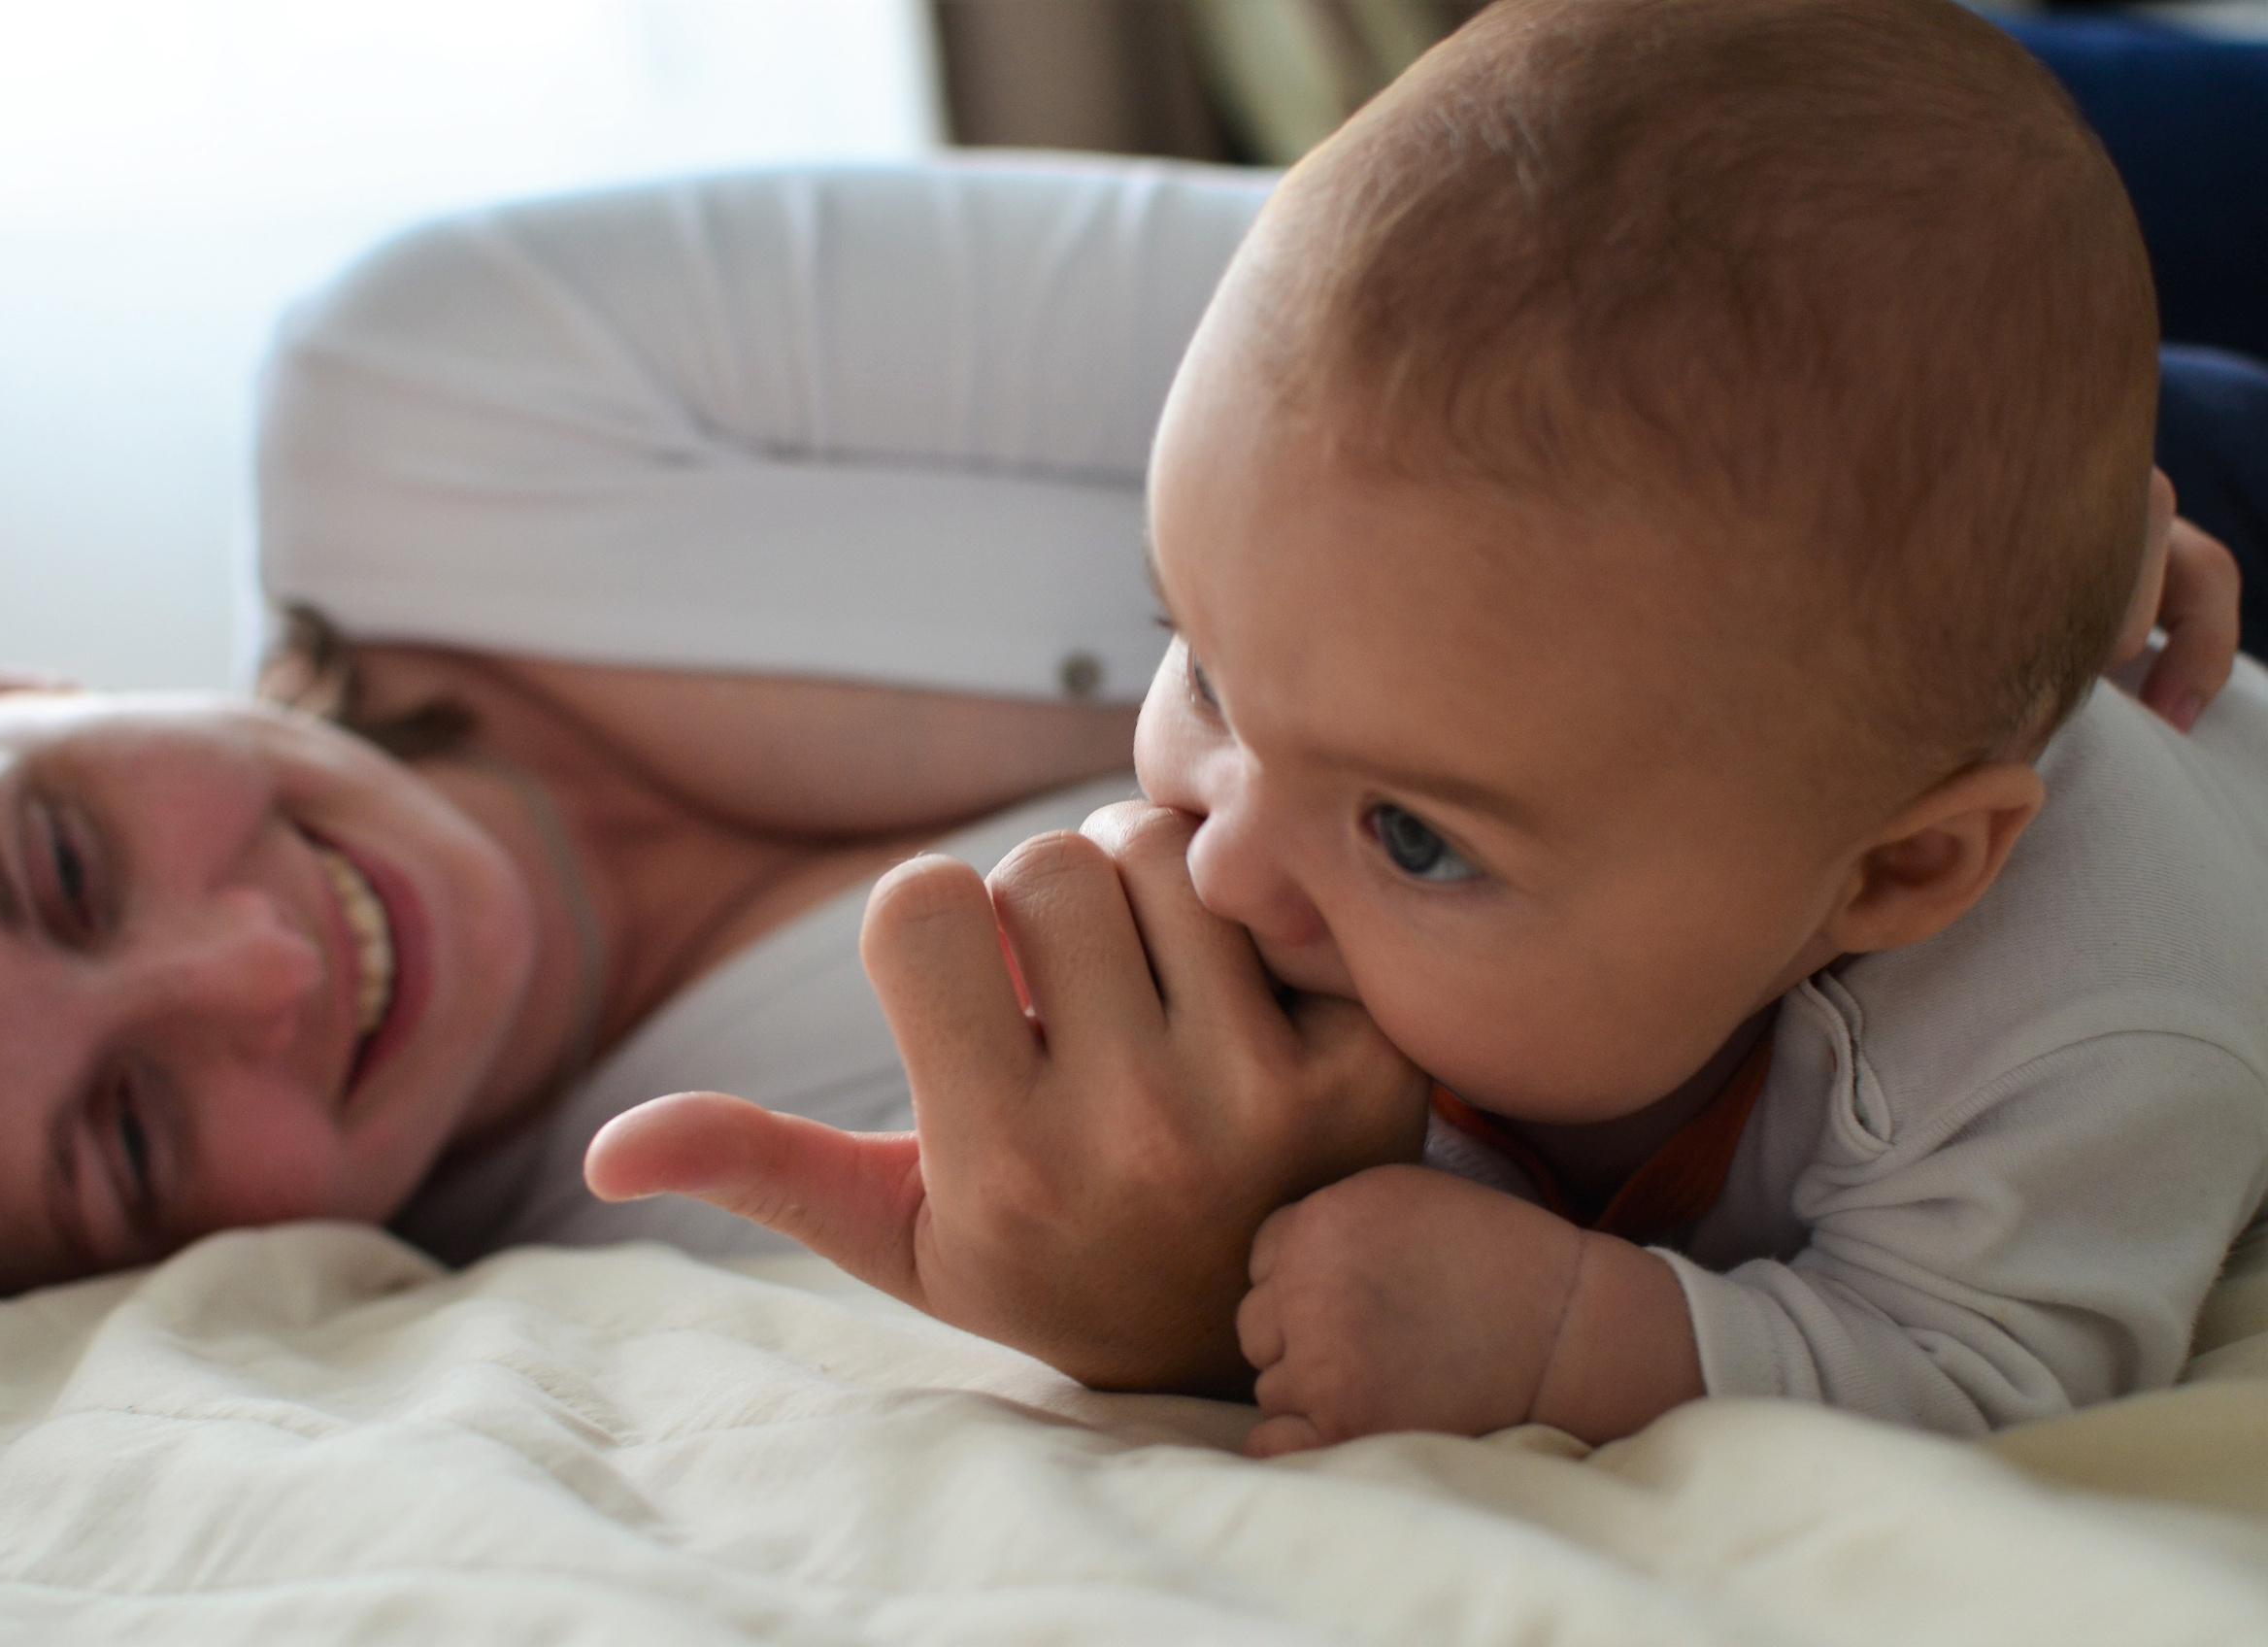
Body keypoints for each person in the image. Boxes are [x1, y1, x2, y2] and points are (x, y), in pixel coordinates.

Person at [584, 0, 2268, 1447]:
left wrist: (1574, 1338)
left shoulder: (2078, 1036)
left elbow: (1990, 1370)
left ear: (1898, 873)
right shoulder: (1580, 806)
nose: (1227, 863)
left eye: (1414, 836)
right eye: (1209, 676)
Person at [0, 163, 1434, 1343]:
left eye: (66, 864)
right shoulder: (689, 1273)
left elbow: (1448, 291)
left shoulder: (436, 382)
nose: (255, 961)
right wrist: (1176, 1307)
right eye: (131, 1134)